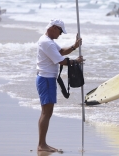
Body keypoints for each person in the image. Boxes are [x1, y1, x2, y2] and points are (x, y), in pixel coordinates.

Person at [36, 19, 84, 153]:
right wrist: (76, 61)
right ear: (54, 28)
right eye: (60, 31)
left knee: (47, 112)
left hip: (47, 79)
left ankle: (43, 143)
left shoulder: (48, 41)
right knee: (46, 112)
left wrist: (74, 46)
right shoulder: (47, 42)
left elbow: (62, 52)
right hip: (45, 79)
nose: (61, 34)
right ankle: (41, 144)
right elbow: (61, 61)